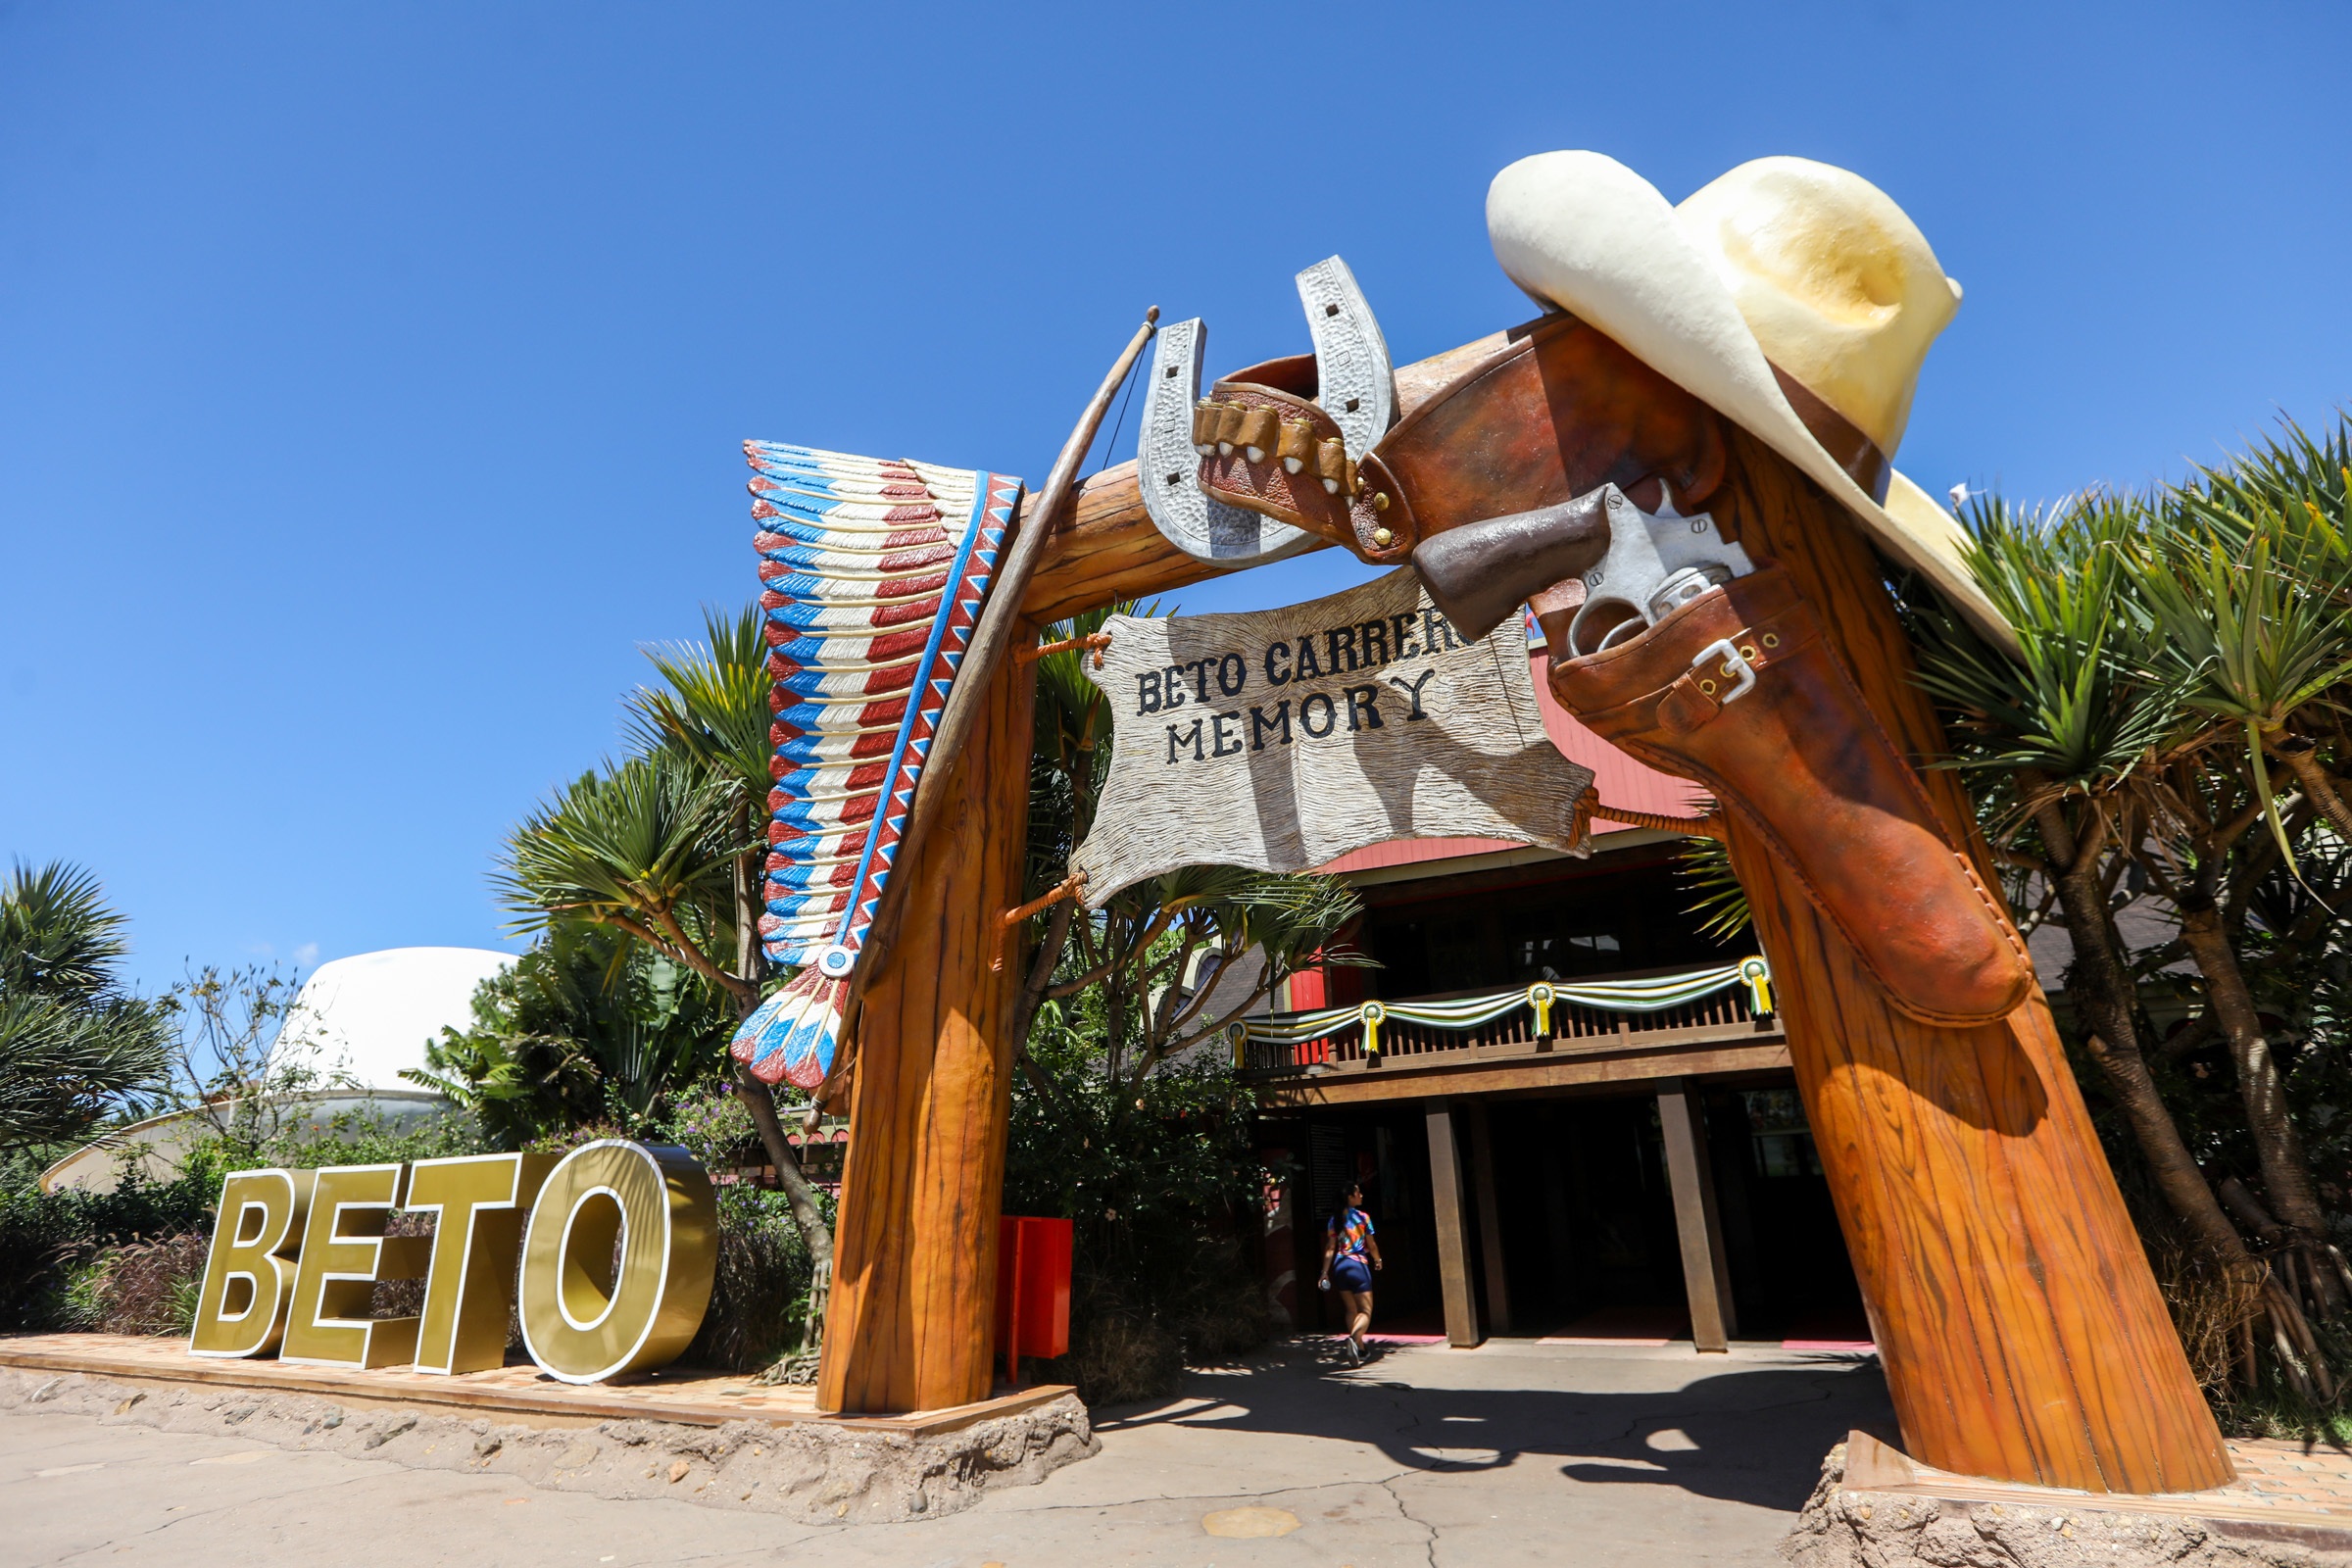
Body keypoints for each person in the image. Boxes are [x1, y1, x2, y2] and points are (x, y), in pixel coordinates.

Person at [1318, 1181, 1383, 1364]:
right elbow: (1372, 1245)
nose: (1361, 1195)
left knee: (1351, 1309)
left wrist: (1324, 1272)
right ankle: (1354, 1340)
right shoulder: (1363, 1217)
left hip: (1340, 1267)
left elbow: (1330, 1247)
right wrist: (1378, 1259)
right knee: (1366, 1311)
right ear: (1350, 1197)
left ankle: (1360, 1350)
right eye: (1358, 1193)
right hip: (1358, 1266)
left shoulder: (1334, 1220)